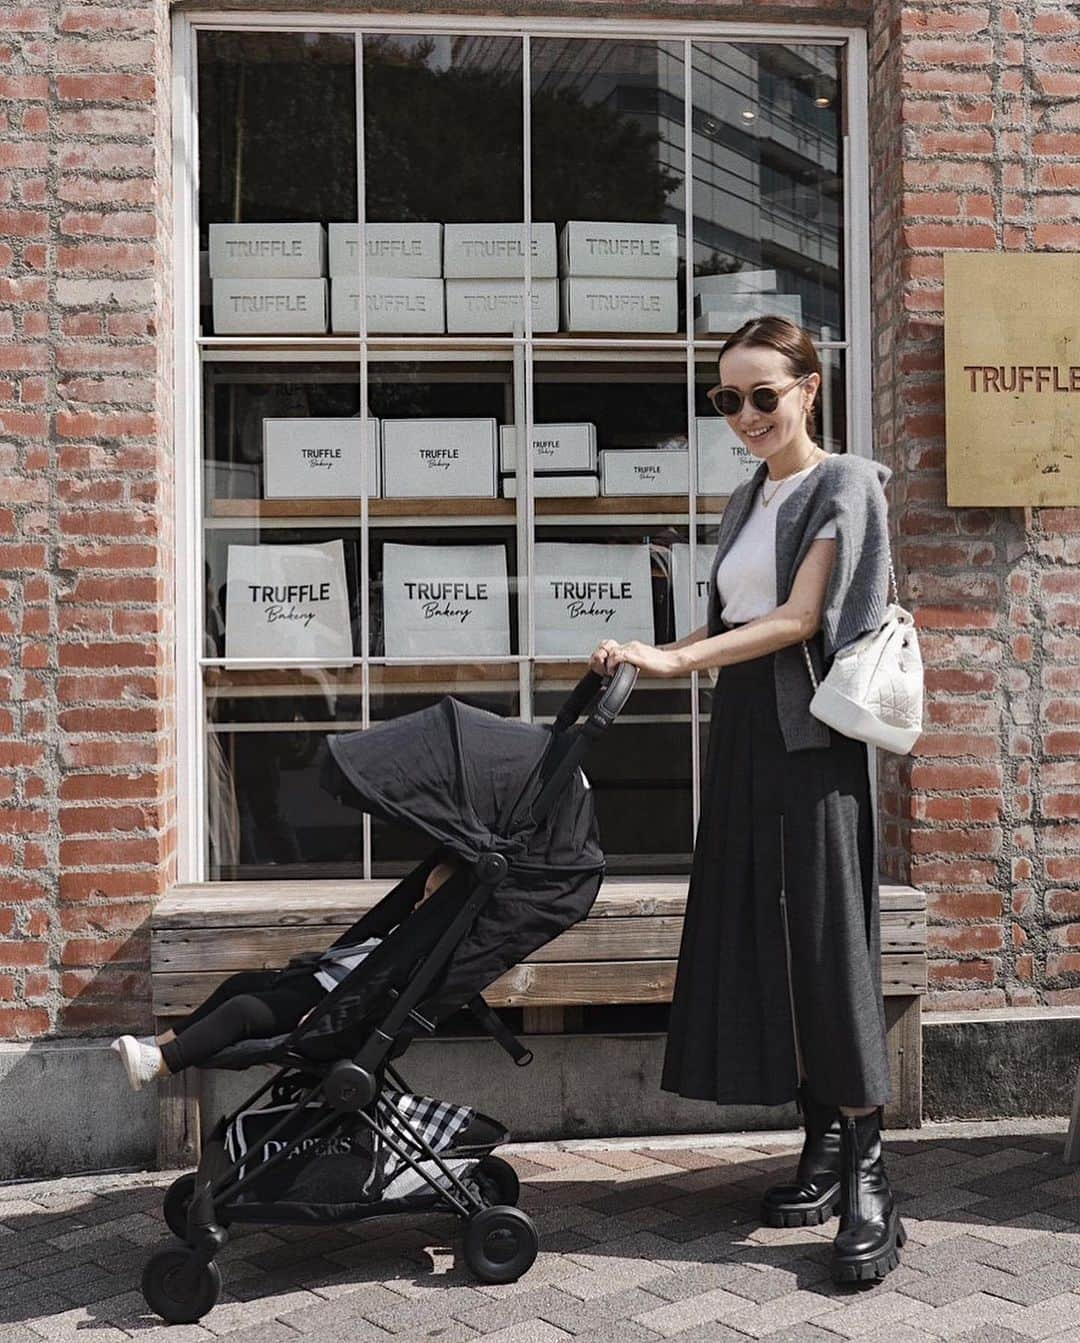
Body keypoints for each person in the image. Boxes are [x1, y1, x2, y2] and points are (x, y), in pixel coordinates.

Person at [590, 315, 901, 1285]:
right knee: (755, 935)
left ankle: (868, 1165)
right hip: (741, 740)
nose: (747, 414)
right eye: (728, 399)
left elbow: (799, 619)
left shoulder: (845, 482)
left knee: (823, 937)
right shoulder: (743, 499)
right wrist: (646, 648)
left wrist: (675, 656)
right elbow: (735, 617)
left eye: (764, 394)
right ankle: (817, 1137)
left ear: (810, 386)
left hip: (811, 745)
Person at [111, 857, 459, 1090]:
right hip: (321, 980)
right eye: (422, 892)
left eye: (429, 897)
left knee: (244, 1010)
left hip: (330, 1003)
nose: (417, 902)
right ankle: (162, 1043)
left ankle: (160, 1064)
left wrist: (334, 1014)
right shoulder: (412, 931)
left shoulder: (427, 951)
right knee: (241, 983)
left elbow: (386, 991)